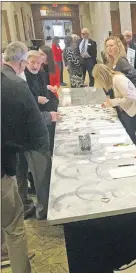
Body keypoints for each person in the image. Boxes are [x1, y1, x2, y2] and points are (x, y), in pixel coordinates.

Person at [1, 41, 49, 273]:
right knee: (15, 227)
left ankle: (3, 251)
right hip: (3, 168)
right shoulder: (13, 85)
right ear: (21, 62)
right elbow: (35, 128)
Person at [16, 50, 58, 219]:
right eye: (31, 62)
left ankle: (30, 203)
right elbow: (25, 106)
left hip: (35, 125)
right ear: (24, 62)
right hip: (26, 133)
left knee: (31, 170)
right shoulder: (19, 79)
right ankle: (32, 207)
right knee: (26, 170)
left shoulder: (39, 74)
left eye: (38, 63)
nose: (34, 66)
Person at [93, 64, 136, 147]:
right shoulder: (114, 78)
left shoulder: (118, 79)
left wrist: (113, 102)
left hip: (133, 111)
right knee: (126, 133)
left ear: (101, 77)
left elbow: (130, 98)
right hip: (128, 109)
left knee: (129, 135)